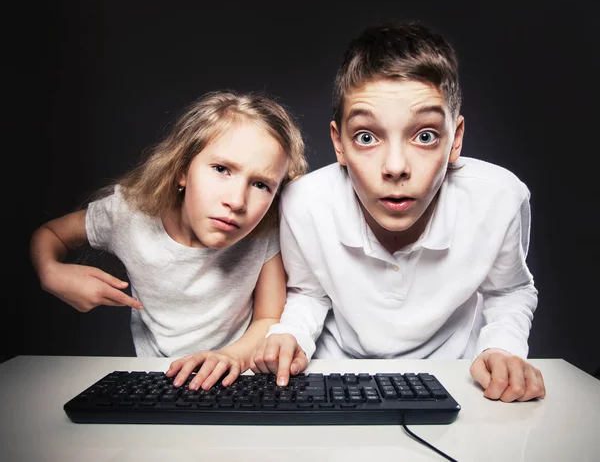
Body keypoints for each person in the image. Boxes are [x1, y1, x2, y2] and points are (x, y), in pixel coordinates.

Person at [251, 21, 546, 403]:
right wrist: (290, 335)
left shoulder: (501, 198)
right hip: (335, 378)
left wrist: (503, 350)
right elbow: (309, 292)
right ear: (339, 144)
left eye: (425, 136)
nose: (395, 167)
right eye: (366, 137)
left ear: (455, 140)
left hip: (456, 380)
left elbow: (509, 290)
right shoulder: (303, 201)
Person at [30, 90, 307, 391]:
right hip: (157, 381)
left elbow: (268, 316)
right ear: (182, 170)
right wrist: (50, 272)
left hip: (240, 379)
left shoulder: (264, 228)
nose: (237, 201)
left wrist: (231, 358)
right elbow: (50, 234)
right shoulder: (129, 213)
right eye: (221, 169)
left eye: (261, 184)